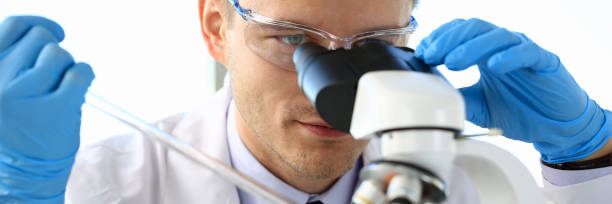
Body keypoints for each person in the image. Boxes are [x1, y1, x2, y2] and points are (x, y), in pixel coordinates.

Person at [0, 0, 611, 203]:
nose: (338, 91)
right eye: (293, 40)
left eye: (375, 44)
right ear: (217, 28)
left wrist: (588, 155)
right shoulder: (100, 190)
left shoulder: (472, 184)